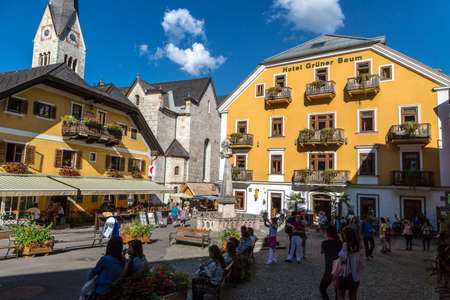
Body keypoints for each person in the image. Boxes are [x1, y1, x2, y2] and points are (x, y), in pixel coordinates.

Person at [334, 227, 366, 300]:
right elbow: (362, 263)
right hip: (355, 276)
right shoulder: (360, 246)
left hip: (344, 274)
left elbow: (342, 261)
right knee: (353, 296)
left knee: (340, 295)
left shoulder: (345, 245)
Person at [320, 225, 343, 300]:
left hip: (329, 269)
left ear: (327, 233)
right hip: (338, 270)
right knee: (337, 291)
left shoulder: (325, 243)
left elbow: (322, 252)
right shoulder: (339, 242)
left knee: (322, 288)